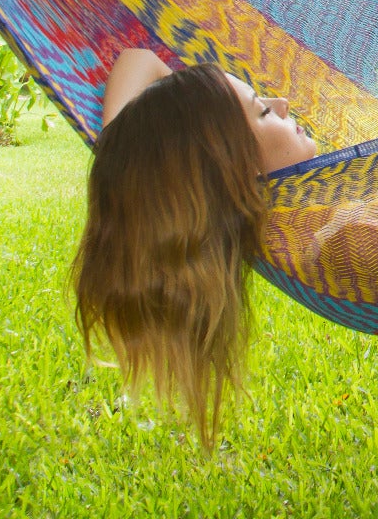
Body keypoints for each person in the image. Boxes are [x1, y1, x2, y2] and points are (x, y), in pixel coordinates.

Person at [71, 50, 316, 444]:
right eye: (264, 112)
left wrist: (129, 160)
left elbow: (140, 60)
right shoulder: (327, 232)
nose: (283, 103)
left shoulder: (178, 178)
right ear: (238, 168)